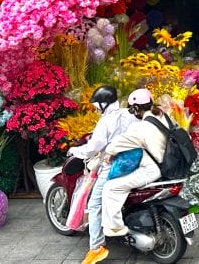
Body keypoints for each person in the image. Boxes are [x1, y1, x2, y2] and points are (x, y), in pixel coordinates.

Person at [68, 86, 136, 264]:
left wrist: (75, 150)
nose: (96, 109)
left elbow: (93, 148)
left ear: (104, 104)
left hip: (112, 167)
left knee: (95, 204)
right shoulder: (128, 114)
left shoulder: (105, 122)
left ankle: (96, 247)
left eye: (97, 105)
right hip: (135, 163)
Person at [100, 88, 173, 239]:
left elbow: (120, 142)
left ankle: (115, 227)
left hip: (152, 170)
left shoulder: (140, 127)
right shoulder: (164, 117)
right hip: (169, 164)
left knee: (110, 187)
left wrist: (109, 153)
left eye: (132, 110)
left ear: (136, 108)